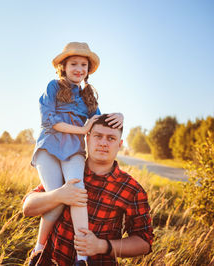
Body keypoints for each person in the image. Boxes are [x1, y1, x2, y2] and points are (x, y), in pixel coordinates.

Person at [30, 42, 123, 265]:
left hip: (73, 151)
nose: (79, 69)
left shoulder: (88, 95)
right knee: (57, 200)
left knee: (77, 193)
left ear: (88, 70)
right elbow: (48, 121)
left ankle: (82, 258)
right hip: (49, 149)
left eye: (84, 65)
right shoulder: (53, 86)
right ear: (64, 66)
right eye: (74, 64)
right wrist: (82, 129)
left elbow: (99, 121)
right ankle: (39, 249)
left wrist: (119, 115)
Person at [24, 114, 154, 265]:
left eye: (111, 138)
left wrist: (101, 246)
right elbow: (28, 208)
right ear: (87, 139)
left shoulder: (132, 189)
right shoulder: (68, 171)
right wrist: (58, 196)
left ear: (120, 144)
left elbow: (144, 242)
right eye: (98, 136)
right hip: (49, 261)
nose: (103, 143)